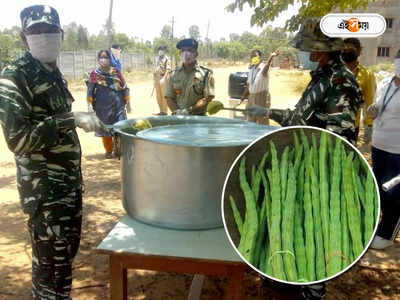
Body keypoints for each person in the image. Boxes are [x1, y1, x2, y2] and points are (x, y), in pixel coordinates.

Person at [247, 18, 363, 300]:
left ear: (322, 51)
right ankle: (292, 278)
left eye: (311, 49)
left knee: (318, 226)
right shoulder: (334, 77)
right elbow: (306, 118)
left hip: (326, 166)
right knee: (305, 220)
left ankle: (311, 290)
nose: (307, 55)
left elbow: (314, 127)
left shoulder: (333, 80)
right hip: (322, 160)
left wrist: (270, 114)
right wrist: (270, 112)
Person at [0, 5, 105, 299]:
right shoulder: (15, 76)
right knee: (50, 270)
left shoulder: (51, 70)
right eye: (35, 31)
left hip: (67, 188)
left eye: (49, 31)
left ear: (61, 35)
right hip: (45, 194)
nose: (43, 36)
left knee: (63, 263)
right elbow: (18, 140)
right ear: (24, 38)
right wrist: (69, 120)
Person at [247, 18, 363, 146]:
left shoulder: (340, 82)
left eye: (304, 49)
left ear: (320, 51)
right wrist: (268, 112)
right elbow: (300, 118)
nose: (301, 53)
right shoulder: (322, 77)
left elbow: (339, 143)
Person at [368, 49, 400, 250]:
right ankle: (380, 226)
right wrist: (373, 109)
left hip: (398, 149)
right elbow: (377, 105)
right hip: (378, 143)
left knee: (395, 191)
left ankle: (388, 233)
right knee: (380, 187)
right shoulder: (385, 82)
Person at [86, 49, 130, 159]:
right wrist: (89, 105)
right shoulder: (94, 74)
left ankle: (118, 149)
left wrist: (128, 102)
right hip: (102, 107)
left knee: (120, 127)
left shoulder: (116, 72)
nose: (103, 59)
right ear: (98, 59)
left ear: (110, 59)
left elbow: (124, 86)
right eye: (101, 57)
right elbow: (90, 90)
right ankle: (109, 150)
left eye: (106, 57)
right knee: (106, 130)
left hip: (118, 105)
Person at [165, 38, 215, 115]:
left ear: (196, 54)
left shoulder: (206, 74)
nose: (186, 53)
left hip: (198, 119)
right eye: (183, 50)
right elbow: (169, 97)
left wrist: (189, 111)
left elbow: (207, 99)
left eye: (190, 50)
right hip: (178, 118)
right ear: (180, 54)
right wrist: (178, 113)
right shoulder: (173, 74)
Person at [342, 38, 376, 144]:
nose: (346, 51)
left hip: (352, 126)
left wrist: (369, 125)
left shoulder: (367, 75)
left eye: (350, 48)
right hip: (330, 123)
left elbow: (370, 101)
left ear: (359, 51)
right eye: (344, 48)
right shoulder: (334, 70)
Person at [240, 49, 279, 124]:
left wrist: (271, 57)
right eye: (252, 56)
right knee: (250, 119)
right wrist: (243, 97)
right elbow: (248, 86)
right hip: (251, 97)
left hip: (262, 97)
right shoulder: (251, 70)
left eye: (255, 56)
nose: (253, 58)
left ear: (260, 57)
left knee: (262, 120)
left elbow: (267, 66)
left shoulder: (263, 68)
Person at [153, 45, 171, 115]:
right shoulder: (157, 58)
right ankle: (161, 111)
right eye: (159, 50)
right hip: (156, 78)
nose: (160, 51)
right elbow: (156, 67)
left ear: (164, 51)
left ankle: (165, 111)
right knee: (158, 96)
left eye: (161, 50)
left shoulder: (167, 59)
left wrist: (164, 78)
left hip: (163, 78)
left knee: (164, 96)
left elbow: (168, 69)